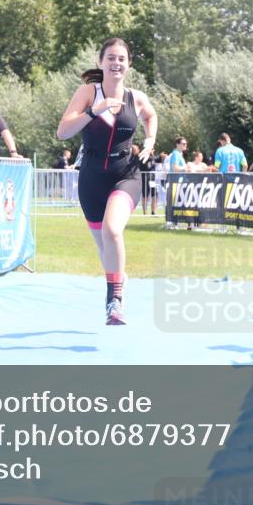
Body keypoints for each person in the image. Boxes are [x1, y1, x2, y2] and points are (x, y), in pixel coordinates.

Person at [56, 38, 158, 325]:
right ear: (101, 62)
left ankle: (115, 300)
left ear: (129, 64)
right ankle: (117, 279)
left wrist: (150, 141)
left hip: (125, 174)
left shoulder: (135, 97)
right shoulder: (88, 92)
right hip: (91, 180)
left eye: (122, 59)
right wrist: (94, 111)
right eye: (111, 58)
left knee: (113, 231)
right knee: (105, 250)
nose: (116, 63)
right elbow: (62, 132)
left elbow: (151, 115)